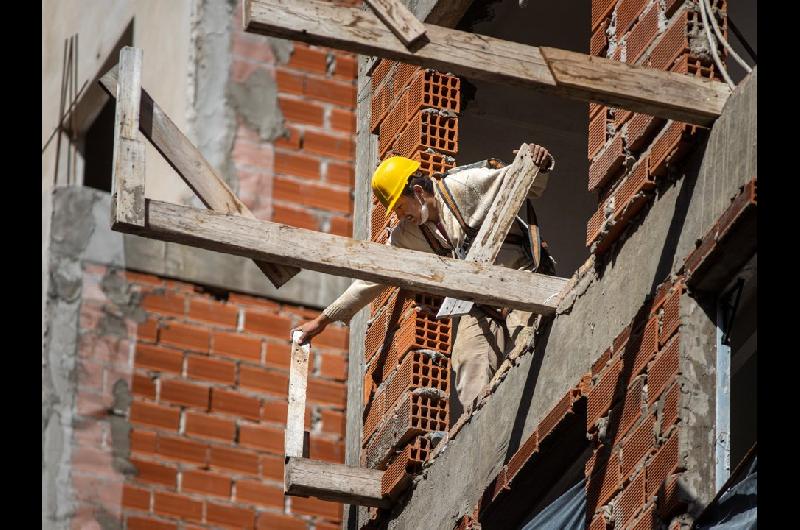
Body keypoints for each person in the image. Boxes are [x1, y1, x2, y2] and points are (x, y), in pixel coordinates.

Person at [294, 144, 556, 416]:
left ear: (417, 192)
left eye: (399, 206)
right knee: (469, 364)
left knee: (528, 340)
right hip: (481, 306)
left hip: (521, 281)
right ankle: (484, 433)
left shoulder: (465, 186)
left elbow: (526, 183)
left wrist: (541, 162)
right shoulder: (408, 234)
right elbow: (371, 278)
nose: (399, 216)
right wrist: (323, 320)